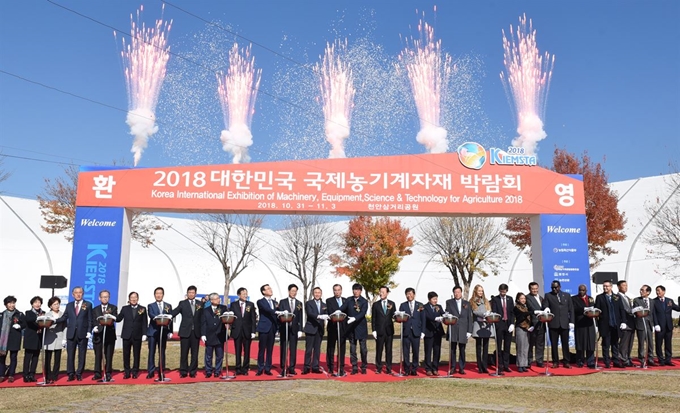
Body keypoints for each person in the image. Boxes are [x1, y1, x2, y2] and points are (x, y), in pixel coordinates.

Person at [56, 286, 92, 381]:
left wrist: (89, 331)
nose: (78, 294)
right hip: (71, 333)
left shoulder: (87, 304)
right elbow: (64, 317)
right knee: (70, 354)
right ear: (73, 294)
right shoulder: (69, 305)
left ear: (83, 294)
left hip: (82, 333)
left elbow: (89, 319)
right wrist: (54, 321)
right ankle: (70, 373)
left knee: (82, 354)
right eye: (76, 292)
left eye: (80, 292)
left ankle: (79, 373)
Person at [171, 285, 202, 378]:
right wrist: (166, 316)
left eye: (193, 293)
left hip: (195, 331)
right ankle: (183, 371)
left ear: (195, 294)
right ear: (187, 293)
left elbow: (204, 316)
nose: (191, 294)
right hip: (185, 331)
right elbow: (175, 312)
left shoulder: (200, 304)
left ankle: (193, 371)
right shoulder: (182, 303)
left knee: (194, 353)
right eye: (189, 292)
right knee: (184, 352)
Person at [543, 280, 574, 368]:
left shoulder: (566, 295)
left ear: (559, 287)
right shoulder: (548, 295)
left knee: (565, 344)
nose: (554, 289)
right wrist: (546, 308)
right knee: (554, 344)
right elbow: (545, 305)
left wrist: (571, 322)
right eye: (552, 287)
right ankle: (555, 361)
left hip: (564, 323)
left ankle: (566, 361)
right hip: (554, 323)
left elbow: (571, 309)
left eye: (556, 287)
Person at [116, 291, 147, 379]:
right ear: (129, 299)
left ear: (138, 298)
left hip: (137, 335)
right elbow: (119, 318)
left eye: (135, 297)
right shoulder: (125, 308)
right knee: (126, 354)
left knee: (136, 354)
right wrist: (111, 316)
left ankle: (135, 371)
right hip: (126, 335)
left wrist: (144, 333)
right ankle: (127, 372)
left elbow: (145, 322)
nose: (133, 299)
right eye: (132, 298)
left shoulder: (142, 309)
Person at [595, 281, 625, 368]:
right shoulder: (600, 297)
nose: (605, 288)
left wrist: (623, 321)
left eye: (607, 286)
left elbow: (621, 310)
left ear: (611, 287)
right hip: (605, 325)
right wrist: (597, 324)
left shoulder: (617, 297)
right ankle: (607, 361)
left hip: (615, 324)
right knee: (606, 344)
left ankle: (616, 361)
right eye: (604, 286)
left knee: (615, 344)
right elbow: (597, 311)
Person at [340, 283, 369, 374]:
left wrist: (355, 318)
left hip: (361, 327)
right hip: (351, 328)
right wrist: (338, 311)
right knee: (352, 349)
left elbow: (362, 313)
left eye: (357, 290)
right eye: (354, 289)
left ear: (361, 291)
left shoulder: (364, 301)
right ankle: (354, 367)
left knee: (363, 349)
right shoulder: (349, 300)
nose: (356, 291)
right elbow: (343, 308)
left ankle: (363, 366)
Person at [444, 286, 473, 375]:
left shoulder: (467, 303)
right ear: (453, 293)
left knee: (462, 349)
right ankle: (452, 367)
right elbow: (447, 313)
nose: (457, 294)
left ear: (461, 293)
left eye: (459, 292)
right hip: (453, 328)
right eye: (455, 292)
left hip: (463, 329)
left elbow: (469, 318)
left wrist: (469, 331)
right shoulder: (449, 302)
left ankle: (461, 367)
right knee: (452, 349)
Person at [146, 287, 174, 379]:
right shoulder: (150, 305)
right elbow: (151, 315)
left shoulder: (168, 306)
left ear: (163, 294)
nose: (158, 295)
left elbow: (170, 319)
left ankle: (161, 370)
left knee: (162, 352)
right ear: (154, 295)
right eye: (157, 293)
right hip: (153, 332)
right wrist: (158, 317)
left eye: (160, 293)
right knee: (151, 352)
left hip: (163, 332)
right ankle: (151, 371)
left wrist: (170, 331)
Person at [229, 287, 257, 375]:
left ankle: (245, 368)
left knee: (247, 351)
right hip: (237, 330)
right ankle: (237, 368)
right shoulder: (233, 304)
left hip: (247, 331)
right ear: (238, 295)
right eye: (243, 294)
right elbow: (231, 317)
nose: (245, 295)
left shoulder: (250, 304)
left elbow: (253, 319)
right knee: (237, 351)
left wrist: (253, 331)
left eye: (246, 294)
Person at [91, 290, 118, 381]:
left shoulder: (113, 308)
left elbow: (115, 318)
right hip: (98, 335)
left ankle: (108, 373)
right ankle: (97, 373)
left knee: (109, 355)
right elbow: (93, 320)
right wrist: (95, 327)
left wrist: (112, 317)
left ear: (109, 298)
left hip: (109, 335)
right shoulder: (95, 309)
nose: (105, 298)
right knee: (98, 355)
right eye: (103, 296)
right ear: (99, 298)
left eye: (107, 296)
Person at [277, 284, 303, 375]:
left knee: (293, 349)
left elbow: (300, 317)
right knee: (284, 348)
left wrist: (300, 329)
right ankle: (283, 367)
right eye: (292, 291)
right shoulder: (283, 302)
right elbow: (279, 316)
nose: (294, 293)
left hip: (294, 329)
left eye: (295, 291)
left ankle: (292, 367)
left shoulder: (299, 303)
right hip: (284, 328)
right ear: (288, 291)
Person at [398, 287, 425, 376]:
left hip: (416, 331)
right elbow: (400, 317)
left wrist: (423, 332)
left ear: (414, 294)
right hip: (406, 331)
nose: (409, 295)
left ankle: (414, 369)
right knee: (406, 351)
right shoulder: (403, 305)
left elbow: (423, 319)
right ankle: (406, 369)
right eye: (407, 294)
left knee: (415, 351)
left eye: (410, 293)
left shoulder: (420, 305)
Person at [652, 285, 680, 366]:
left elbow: (677, 308)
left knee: (668, 343)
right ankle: (660, 359)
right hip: (660, 326)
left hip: (668, 326)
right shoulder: (654, 301)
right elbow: (654, 314)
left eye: (659, 290)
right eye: (656, 290)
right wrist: (656, 324)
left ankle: (668, 359)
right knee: (659, 343)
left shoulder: (669, 301)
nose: (657, 292)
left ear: (664, 291)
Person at [201, 293, 227, 378]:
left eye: (218, 298)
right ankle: (208, 370)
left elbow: (226, 317)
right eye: (216, 299)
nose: (218, 300)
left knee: (219, 355)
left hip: (220, 334)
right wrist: (203, 334)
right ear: (211, 300)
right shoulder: (206, 310)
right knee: (208, 355)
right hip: (209, 335)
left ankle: (217, 370)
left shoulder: (223, 308)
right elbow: (203, 323)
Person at [371, 285, 396, 374]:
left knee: (389, 350)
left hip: (389, 330)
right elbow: (373, 318)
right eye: (380, 292)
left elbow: (394, 316)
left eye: (383, 292)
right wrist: (373, 330)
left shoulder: (392, 303)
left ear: (387, 293)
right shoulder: (376, 304)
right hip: (379, 330)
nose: (381, 294)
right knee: (379, 350)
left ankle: (389, 368)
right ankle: (378, 367)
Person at [470, 284, 495, 374]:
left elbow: (489, 310)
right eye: (479, 291)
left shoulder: (486, 301)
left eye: (482, 291)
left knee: (486, 346)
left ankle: (485, 365)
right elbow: (475, 311)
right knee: (479, 346)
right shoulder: (472, 301)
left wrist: (488, 315)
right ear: (475, 291)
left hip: (486, 325)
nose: (480, 292)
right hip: (478, 325)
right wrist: (483, 315)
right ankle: (479, 366)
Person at [303, 287, 328, 374]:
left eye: (319, 293)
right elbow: (310, 313)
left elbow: (327, 314)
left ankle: (315, 367)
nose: (317, 294)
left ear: (321, 294)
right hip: (311, 328)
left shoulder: (324, 305)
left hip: (319, 329)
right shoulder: (309, 303)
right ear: (313, 294)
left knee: (317, 349)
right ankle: (306, 367)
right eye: (315, 293)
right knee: (309, 349)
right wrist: (319, 316)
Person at [491, 284, 515, 373]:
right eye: (501, 291)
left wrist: (512, 323)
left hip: (508, 324)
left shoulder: (510, 299)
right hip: (499, 324)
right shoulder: (495, 299)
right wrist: (497, 324)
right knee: (499, 345)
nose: (503, 293)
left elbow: (512, 312)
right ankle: (499, 365)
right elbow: (494, 311)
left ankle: (506, 365)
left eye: (504, 291)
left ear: (507, 291)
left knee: (507, 346)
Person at [0, 296, 24, 383]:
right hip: (3, 340)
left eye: (13, 303)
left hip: (14, 338)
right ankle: (1, 375)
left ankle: (11, 375)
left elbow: (25, 324)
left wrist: (20, 326)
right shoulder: (1, 315)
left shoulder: (19, 314)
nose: (11, 305)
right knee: (2, 357)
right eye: (9, 303)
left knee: (13, 357)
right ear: (6, 305)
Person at [256, 284, 278, 376]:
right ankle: (260, 368)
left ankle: (268, 368)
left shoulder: (275, 302)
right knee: (262, 349)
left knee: (270, 349)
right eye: (268, 289)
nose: (270, 290)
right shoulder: (260, 301)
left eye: (270, 288)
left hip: (272, 328)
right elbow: (266, 310)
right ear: (264, 292)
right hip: (264, 327)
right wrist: (276, 311)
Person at [326, 284, 347, 376]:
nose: (337, 292)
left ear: (341, 291)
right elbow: (330, 312)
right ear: (333, 291)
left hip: (342, 328)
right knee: (331, 348)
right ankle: (330, 367)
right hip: (333, 327)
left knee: (342, 348)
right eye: (335, 290)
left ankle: (341, 367)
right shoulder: (329, 300)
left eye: (338, 290)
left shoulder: (346, 300)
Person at [633, 285, 657, 367]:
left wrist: (654, 324)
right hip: (641, 323)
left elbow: (653, 314)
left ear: (648, 292)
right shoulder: (637, 300)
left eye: (643, 290)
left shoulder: (652, 301)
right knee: (641, 343)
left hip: (649, 324)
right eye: (640, 290)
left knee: (650, 343)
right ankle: (642, 359)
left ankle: (650, 358)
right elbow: (636, 311)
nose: (641, 292)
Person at [573, 285, 596, 368]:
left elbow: (594, 307)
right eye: (580, 290)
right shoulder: (574, 299)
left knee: (590, 342)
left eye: (583, 290)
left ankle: (590, 361)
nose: (581, 292)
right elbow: (574, 309)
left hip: (590, 323)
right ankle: (580, 360)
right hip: (580, 322)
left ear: (586, 290)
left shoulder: (590, 298)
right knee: (580, 342)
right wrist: (584, 309)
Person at [22, 296, 44, 382]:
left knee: (35, 357)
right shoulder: (28, 312)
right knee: (28, 357)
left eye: (39, 302)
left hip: (39, 338)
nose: (37, 304)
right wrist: (38, 317)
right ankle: (25, 375)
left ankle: (32, 374)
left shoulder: (43, 313)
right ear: (32, 304)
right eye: (35, 302)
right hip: (30, 338)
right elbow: (28, 319)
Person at [44, 296, 65, 384]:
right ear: (50, 306)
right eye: (54, 304)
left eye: (58, 304)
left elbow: (65, 327)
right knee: (48, 358)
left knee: (57, 358)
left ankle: (55, 375)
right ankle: (48, 375)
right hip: (50, 338)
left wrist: (64, 338)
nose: (56, 306)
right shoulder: (47, 315)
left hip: (59, 337)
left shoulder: (62, 314)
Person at [422, 291, 445, 376]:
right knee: (428, 351)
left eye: (436, 299)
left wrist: (446, 316)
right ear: (429, 299)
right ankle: (428, 368)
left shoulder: (439, 306)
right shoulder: (425, 307)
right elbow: (427, 317)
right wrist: (436, 318)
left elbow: (443, 313)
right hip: (428, 332)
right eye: (434, 299)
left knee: (437, 350)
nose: (435, 301)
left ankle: (435, 368)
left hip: (437, 332)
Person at [526, 282, 545, 367]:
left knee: (540, 343)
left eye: (536, 288)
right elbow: (530, 308)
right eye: (533, 289)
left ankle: (539, 360)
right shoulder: (527, 298)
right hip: (532, 324)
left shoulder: (541, 298)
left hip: (541, 324)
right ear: (530, 289)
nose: (535, 290)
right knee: (530, 343)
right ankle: (529, 360)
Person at [616, 280, 636, 367]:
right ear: (619, 287)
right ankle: (623, 359)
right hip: (624, 322)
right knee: (624, 343)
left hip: (631, 322)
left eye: (626, 285)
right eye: (623, 285)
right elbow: (621, 309)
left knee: (630, 343)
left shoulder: (627, 297)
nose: (625, 287)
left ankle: (628, 358)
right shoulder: (616, 297)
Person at [513, 293, 532, 372]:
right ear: (518, 299)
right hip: (520, 327)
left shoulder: (526, 307)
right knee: (520, 347)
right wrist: (532, 312)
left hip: (527, 328)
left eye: (524, 298)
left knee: (526, 347)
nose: (523, 300)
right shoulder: (516, 307)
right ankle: (520, 364)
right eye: (521, 298)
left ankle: (524, 364)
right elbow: (521, 315)